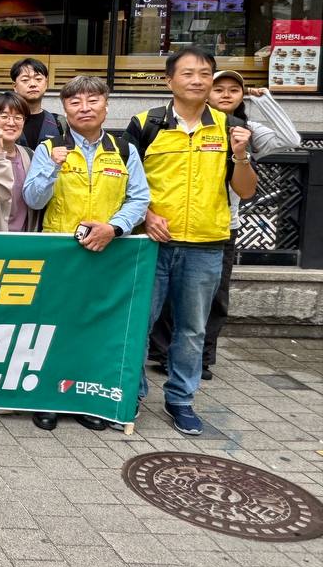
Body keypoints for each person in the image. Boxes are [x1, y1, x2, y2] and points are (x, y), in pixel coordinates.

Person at [123, 46, 257, 436]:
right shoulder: (146, 123)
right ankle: (133, 392)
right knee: (140, 323)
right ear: (169, 81)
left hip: (205, 244)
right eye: (188, 73)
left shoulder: (229, 126)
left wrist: (242, 155)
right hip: (152, 244)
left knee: (192, 329)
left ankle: (180, 399)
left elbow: (245, 191)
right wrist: (146, 216)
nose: (197, 80)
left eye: (204, 74)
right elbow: (127, 182)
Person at [149, 69, 300, 380]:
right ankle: (163, 354)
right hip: (170, 224)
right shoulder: (173, 125)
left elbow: (291, 139)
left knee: (214, 295)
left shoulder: (244, 129)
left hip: (220, 226)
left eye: (235, 89)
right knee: (162, 296)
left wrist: (264, 99)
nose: (226, 95)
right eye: (219, 89)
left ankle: (202, 356)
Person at [22, 75, 150, 432]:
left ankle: (86, 398)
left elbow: (139, 199)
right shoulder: (50, 149)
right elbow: (32, 199)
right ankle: (48, 396)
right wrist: (53, 167)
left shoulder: (124, 149)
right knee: (55, 326)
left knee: (96, 327)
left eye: (92, 100)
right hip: (60, 253)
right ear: (65, 109)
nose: (84, 108)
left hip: (107, 251)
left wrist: (114, 228)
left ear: (106, 105)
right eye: (75, 102)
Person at [0, 92, 42, 234]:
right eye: (4, 116)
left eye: (18, 117)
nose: (11, 123)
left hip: (24, 240)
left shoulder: (29, 154)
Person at [10, 58, 67, 149]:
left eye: (38, 79)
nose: (33, 84)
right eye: (25, 80)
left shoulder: (59, 122)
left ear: (46, 84)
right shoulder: (5, 121)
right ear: (15, 86)